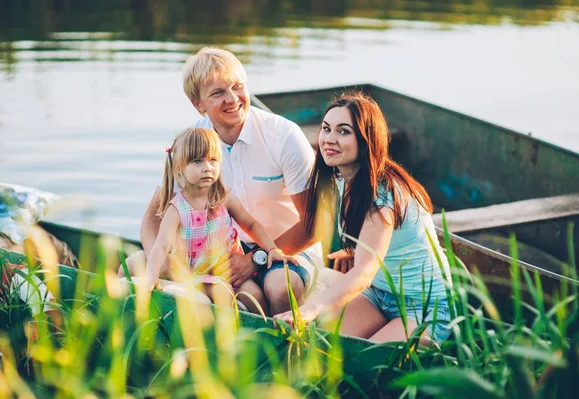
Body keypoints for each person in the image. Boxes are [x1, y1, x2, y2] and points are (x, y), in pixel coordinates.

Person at [130, 47, 324, 315]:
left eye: (237, 86)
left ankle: (287, 352)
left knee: (281, 287)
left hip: (288, 248)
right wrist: (165, 265)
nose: (233, 99)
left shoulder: (284, 136)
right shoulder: (194, 145)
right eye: (218, 93)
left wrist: (255, 259)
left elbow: (315, 223)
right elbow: (152, 220)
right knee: (135, 264)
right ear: (198, 104)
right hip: (223, 250)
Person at [273, 92, 452, 344]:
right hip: (379, 292)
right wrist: (356, 249)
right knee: (325, 348)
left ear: (367, 140)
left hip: (424, 304)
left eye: (344, 131)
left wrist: (308, 310)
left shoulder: (383, 196)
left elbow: (364, 273)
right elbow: (377, 240)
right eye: (326, 129)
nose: (329, 139)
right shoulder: (341, 178)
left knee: (367, 362)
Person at [144, 127, 298, 313]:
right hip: (195, 272)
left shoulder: (223, 199)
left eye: (213, 160)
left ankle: (257, 335)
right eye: (198, 161)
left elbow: (251, 224)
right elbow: (161, 246)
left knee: (255, 296)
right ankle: (224, 334)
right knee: (221, 293)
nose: (207, 167)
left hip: (227, 269)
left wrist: (272, 248)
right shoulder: (177, 209)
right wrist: (151, 277)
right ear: (179, 170)